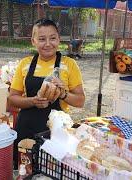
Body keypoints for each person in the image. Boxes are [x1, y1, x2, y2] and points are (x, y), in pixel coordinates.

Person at [8, 18, 85, 169]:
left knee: (52, 171)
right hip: (26, 129)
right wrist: (32, 101)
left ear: (59, 39)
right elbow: (12, 99)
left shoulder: (69, 64)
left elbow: (80, 101)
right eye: (42, 39)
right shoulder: (25, 64)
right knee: (25, 171)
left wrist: (63, 94)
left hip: (56, 133)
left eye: (53, 38)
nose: (48, 44)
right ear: (33, 41)